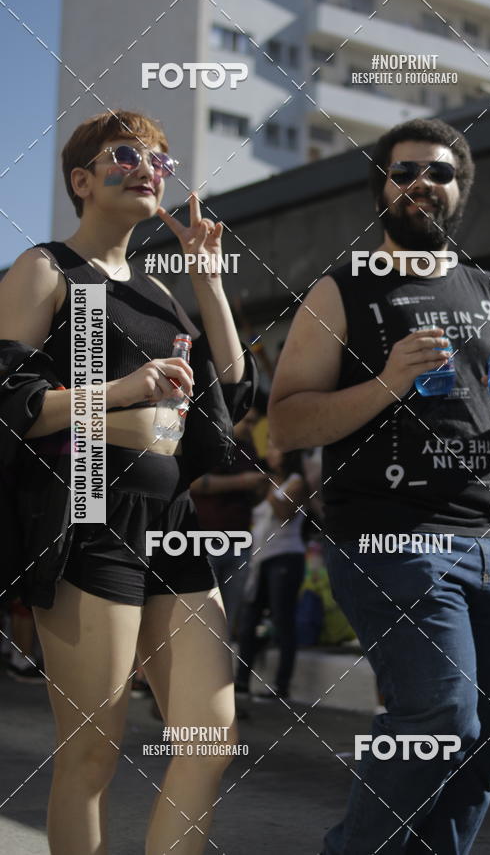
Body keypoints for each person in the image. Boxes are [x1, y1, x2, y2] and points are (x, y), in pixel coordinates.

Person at [268, 117, 490, 853]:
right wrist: (386, 383)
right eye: (404, 172)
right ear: (382, 188)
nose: (421, 184)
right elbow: (288, 423)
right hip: (390, 536)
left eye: (439, 172)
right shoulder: (339, 290)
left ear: (459, 191)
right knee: (438, 714)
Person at [0, 109, 256, 855]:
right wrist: (118, 398)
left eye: (159, 159)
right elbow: (8, 400)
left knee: (210, 739)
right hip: (85, 517)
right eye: (125, 155)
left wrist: (208, 286)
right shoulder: (45, 268)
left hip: (171, 519)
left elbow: (224, 413)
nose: (148, 167)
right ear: (82, 180)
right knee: (93, 750)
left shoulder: (160, 294)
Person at [234, 441, 308, 701]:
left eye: (277, 448)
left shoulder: (296, 482)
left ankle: (281, 686)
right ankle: (241, 681)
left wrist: (269, 488)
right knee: (249, 620)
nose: (271, 453)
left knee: (282, 620)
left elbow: (285, 512)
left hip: (286, 557)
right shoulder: (267, 483)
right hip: (261, 559)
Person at [190, 406, 269, 633]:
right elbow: (194, 483)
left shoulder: (249, 449)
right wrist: (242, 482)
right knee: (199, 619)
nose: (251, 428)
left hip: (239, 541)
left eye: (255, 422)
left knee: (227, 621)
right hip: (205, 539)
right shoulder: (210, 444)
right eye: (248, 422)